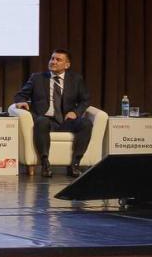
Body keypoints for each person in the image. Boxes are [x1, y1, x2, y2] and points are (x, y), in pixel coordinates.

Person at [12, 48, 92, 177]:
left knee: (86, 123)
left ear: (67, 65)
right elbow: (20, 95)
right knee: (42, 121)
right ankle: (45, 163)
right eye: (52, 58)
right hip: (45, 120)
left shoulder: (76, 79)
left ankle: (75, 164)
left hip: (66, 121)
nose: (53, 62)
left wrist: (76, 113)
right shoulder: (37, 78)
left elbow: (85, 100)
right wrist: (21, 101)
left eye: (58, 60)